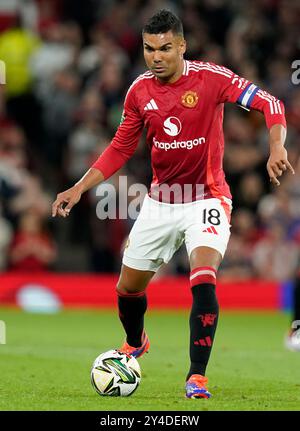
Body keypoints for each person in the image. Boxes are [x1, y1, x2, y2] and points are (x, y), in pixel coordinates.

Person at [52, 10, 294, 398]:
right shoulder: (138, 92)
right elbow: (120, 148)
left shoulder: (212, 79)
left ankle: (197, 376)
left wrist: (276, 145)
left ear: (182, 45)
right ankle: (135, 343)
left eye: (165, 48)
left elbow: (271, 103)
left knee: (203, 276)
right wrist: (78, 188)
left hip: (207, 198)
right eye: (149, 49)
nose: (156, 56)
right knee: (127, 289)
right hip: (160, 201)